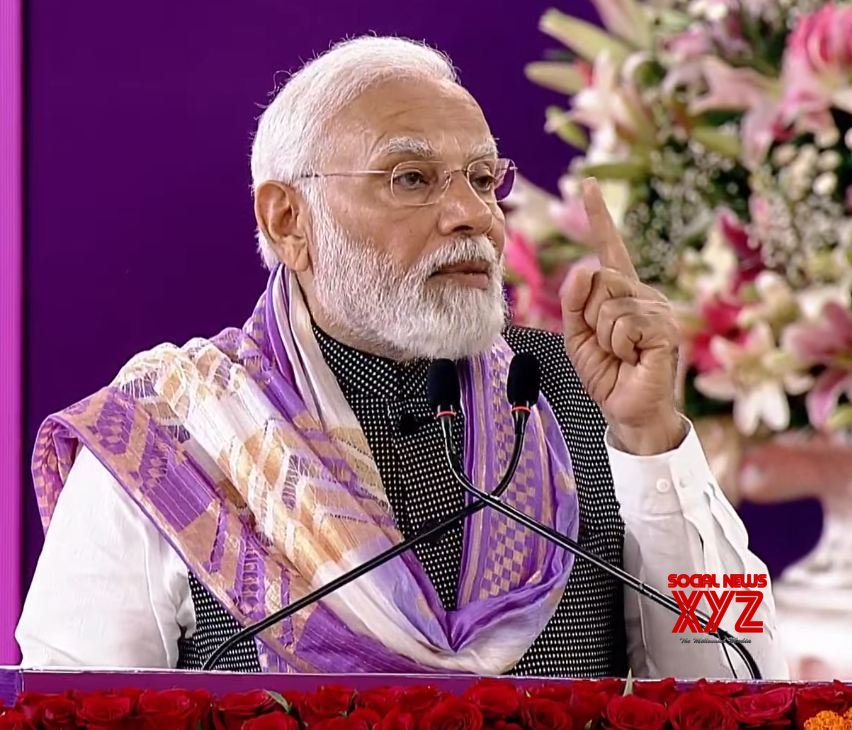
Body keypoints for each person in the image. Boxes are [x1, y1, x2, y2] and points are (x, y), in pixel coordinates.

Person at [17, 36, 787, 678]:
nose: (473, 216)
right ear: (289, 219)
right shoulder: (169, 439)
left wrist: (651, 438)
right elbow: (74, 708)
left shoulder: (576, 395)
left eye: (485, 180)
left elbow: (733, 672)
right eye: (412, 178)